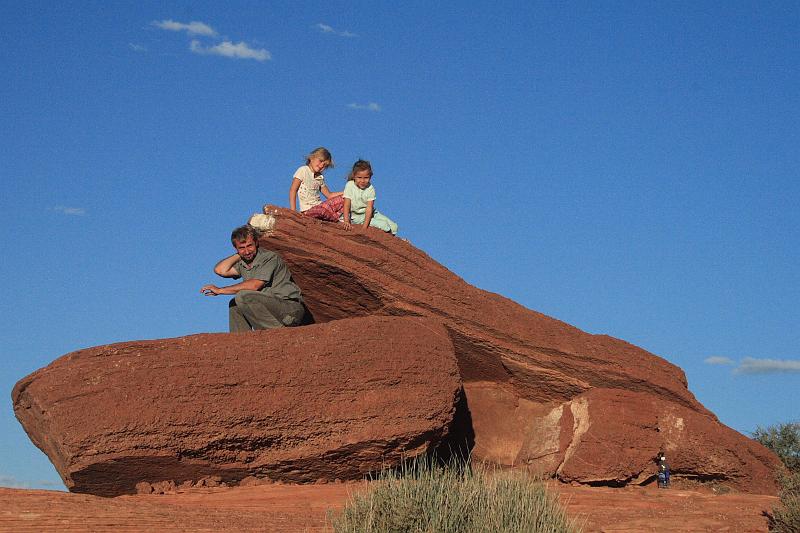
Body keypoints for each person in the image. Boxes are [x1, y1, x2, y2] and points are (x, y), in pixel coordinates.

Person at [200, 225, 305, 332]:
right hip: (268, 311)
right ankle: (243, 340)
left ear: (256, 243)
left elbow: (255, 285)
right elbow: (220, 270)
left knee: (243, 296)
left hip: (289, 309)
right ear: (235, 249)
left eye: (249, 245)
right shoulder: (243, 262)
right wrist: (239, 254)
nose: (247, 251)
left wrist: (220, 290)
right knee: (234, 304)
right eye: (242, 247)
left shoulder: (269, 257)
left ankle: (277, 334)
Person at [286, 147, 345, 222]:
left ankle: (340, 218)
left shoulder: (320, 177)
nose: (321, 166)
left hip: (320, 206)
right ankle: (337, 220)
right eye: (320, 161)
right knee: (323, 209)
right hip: (308, 210)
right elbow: (293, 190)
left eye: (325, 165)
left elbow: (329, 195)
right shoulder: (303, 170)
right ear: (311, 158)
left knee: (344, 199)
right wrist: (293, 211)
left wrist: (346, 192)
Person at [342, 159, 398, 235]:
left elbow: (369, 208)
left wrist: (364, 228)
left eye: (366, 178)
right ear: (354, 176)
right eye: (359, 177)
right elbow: (347, 204)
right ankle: (388, 236)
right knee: (385, 226)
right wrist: (346, 221)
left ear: (370, 177)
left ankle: (395, 238)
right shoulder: (350, 185)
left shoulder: (370, 189)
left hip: (371, 213)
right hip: (357, 216)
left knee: (394, 227)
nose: (362, 181)